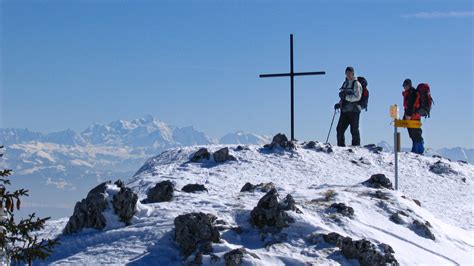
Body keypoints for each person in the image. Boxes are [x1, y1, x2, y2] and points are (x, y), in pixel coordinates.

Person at [334, 66, 362, 147]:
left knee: (354, 130)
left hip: (354, 110)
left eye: (350, 73)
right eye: (347, 73)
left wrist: (346, 97)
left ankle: (356, 147)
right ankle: (341, 147)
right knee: (339, 129)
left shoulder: (356, 83)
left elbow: (357, 97)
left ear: (353, 73)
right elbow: (342, 97)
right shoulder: (345, 83)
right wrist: (339, 104)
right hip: (345, 110)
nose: (348, 75)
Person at [402, 79, 424, 154]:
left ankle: (419, 150)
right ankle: (415, 149)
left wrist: (407, 116)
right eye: (403, 85)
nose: (404, 87)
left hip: (414, 117)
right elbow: (407, 107)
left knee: (415, 133)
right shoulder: (408, 93)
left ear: (409, 85)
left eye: (405, 85)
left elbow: (410, 106)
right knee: (413, 133)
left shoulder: (412, 93)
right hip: (413, 116)